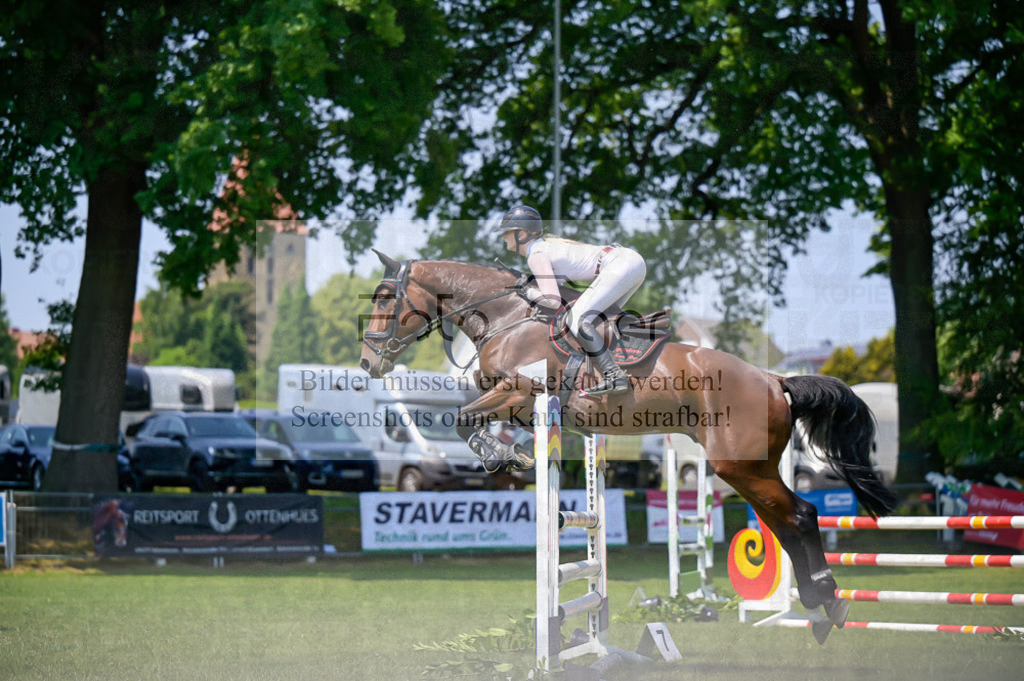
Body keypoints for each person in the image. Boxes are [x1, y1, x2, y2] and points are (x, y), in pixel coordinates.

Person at [495, 204, 647, 396]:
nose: (503, 237)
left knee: (576, 319)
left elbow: (553, 302)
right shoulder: (544, 247)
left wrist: (528, 292)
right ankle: (624, 363)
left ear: (522, 235)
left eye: (507, 232)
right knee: (601, 320)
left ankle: (613, 375)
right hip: (631, 263)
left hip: (620, 265)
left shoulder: (536, 255)